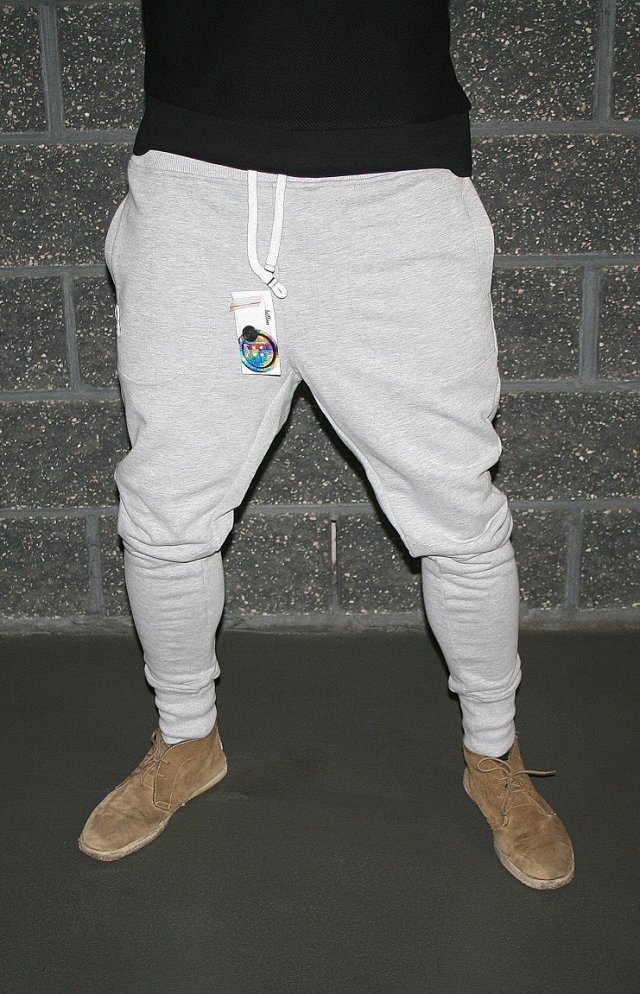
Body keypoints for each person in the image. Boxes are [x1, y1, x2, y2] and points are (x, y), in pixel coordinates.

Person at [78, 0, 574, 889]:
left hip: (397, 190)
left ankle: (494, 755)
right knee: (165, 506)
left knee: (457, 508)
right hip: (197, 187)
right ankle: (186, 741)